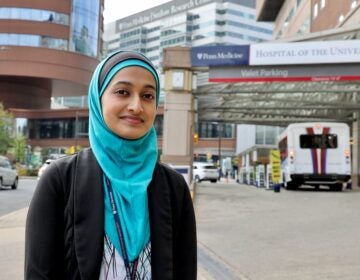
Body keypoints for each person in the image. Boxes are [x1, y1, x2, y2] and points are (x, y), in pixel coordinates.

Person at [25, 51, 197, 280]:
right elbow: (39, 274)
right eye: (122, 92)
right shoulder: (60, 180)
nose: (136, 106)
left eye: (147, 95)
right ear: (98, 98)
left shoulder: (174, 187)